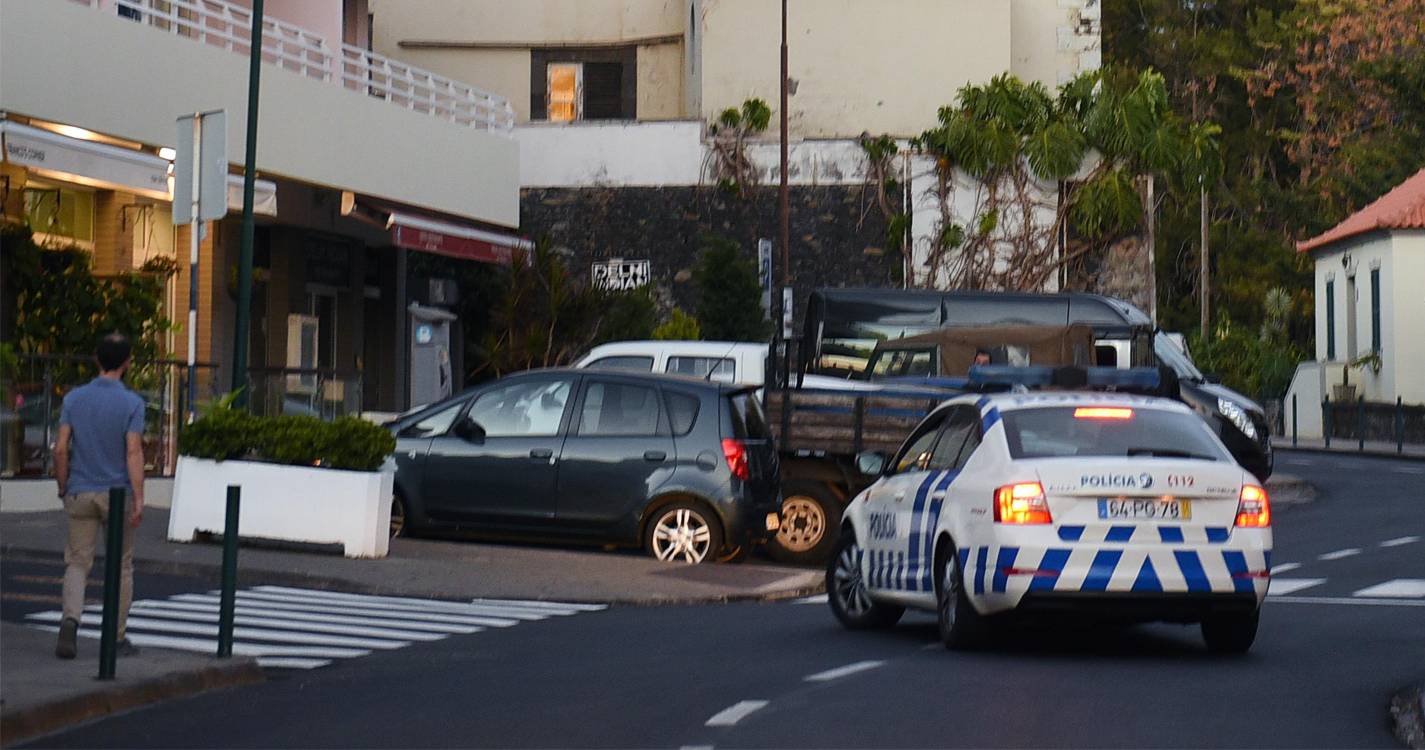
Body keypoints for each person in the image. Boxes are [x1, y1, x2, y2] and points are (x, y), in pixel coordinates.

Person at [53, 333, 145, 659]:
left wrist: (63, 485)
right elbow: (133, 452)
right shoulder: (132, 403)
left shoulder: (74, 399)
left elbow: (61, 448)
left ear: (97, 360)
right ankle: (116, 637)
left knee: (78, 562)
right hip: (117, 493)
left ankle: (70, 620)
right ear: (126, 363)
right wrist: (139, 496)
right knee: (121, 566)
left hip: (80, 490)